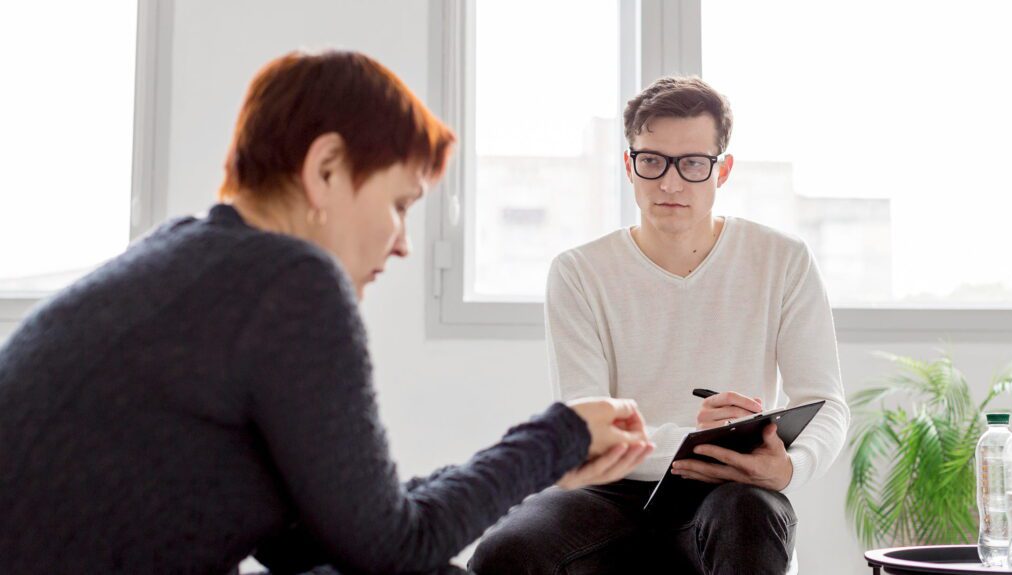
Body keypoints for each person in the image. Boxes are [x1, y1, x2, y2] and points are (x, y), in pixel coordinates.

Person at [0, 50, 655, 575]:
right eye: (399, 204)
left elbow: (335, 529)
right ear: (327, 168)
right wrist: (555, 437)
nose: (403, 243)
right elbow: (391, 544)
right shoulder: (290, 278)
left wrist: (549, 457)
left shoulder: (195, 260)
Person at [470, 77, 851, 574]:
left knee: (747, 514)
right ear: (629, 166)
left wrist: (789, 468)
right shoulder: (579, 272)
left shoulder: (783, 259)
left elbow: (825, 402)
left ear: (722, 171)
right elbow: (587, 428)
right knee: (505, 551)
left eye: (692, 164)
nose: (670, 183)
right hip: (610, 489)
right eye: (652, 161)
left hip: (731, 491)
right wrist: (696, 441)